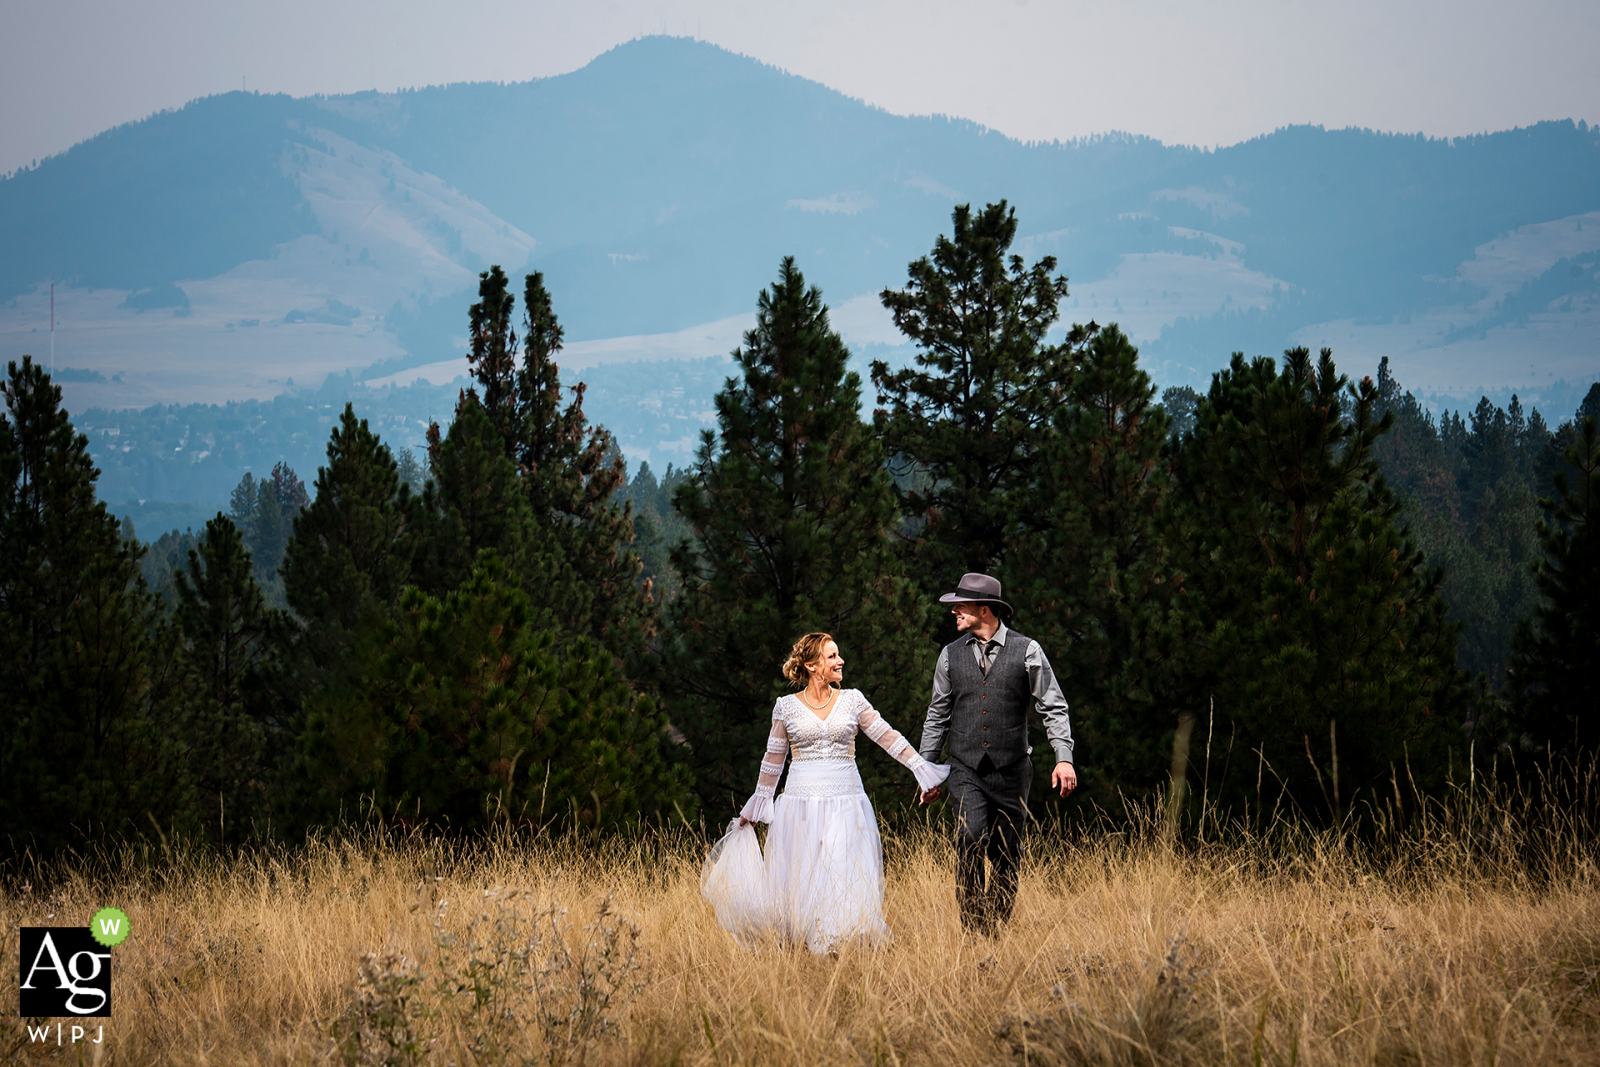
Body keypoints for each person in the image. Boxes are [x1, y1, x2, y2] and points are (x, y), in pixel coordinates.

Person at [700, 632, 950, 953]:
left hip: (845, 802)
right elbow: (773, 759)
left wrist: (920, 768)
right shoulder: (786, 707)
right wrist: (758, 803)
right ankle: (807, 950)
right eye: (832, 656)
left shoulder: (852, 700)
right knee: (802, 878)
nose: (840, 661)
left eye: (838, 655)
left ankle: (833, 945)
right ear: (812, 665)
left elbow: (887, 736)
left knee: (840, 868)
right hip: (799, 806)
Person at [917, 572, 1076, 936]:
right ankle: (975, 930)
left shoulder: (1028, 650)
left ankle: (996, 930)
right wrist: (926, 770)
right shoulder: (949, 656)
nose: (954, 610)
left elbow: (1053, 707)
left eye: (962, 605)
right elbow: (937, 714)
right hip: (965, 768)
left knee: (1006, 852)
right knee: (970, 836)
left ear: (984, 609)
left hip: (1013, 768)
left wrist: (1063, 757)